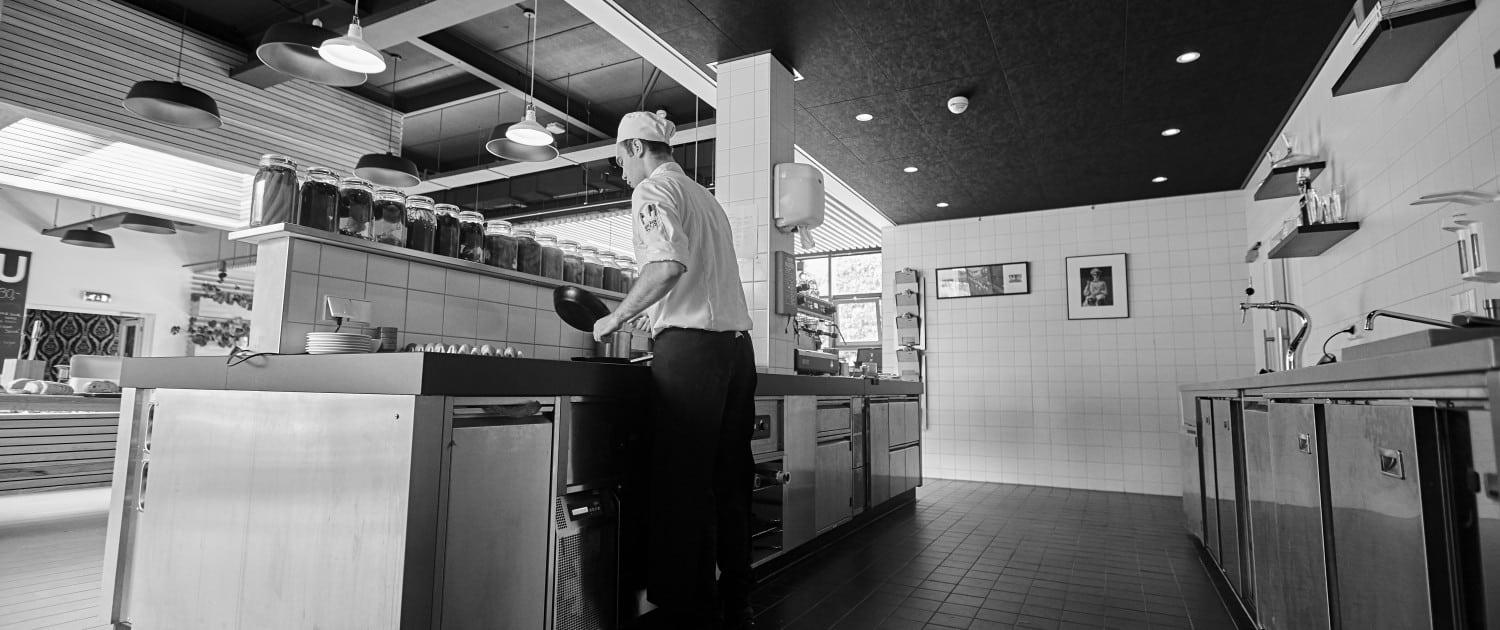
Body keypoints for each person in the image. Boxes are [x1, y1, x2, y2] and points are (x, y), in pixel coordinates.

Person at [593, 111, 757, 630]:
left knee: (683, 489)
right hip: (736, 352)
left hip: (694, 354)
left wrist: (614, 317)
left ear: (637, 147)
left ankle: (692, 616)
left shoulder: (652, 193)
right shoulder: (706, 198)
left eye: (620, 156)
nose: (620, 170)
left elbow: (666, 267)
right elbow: (695, 279)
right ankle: (737, 607)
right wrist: (653, 311)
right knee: (729, 483)